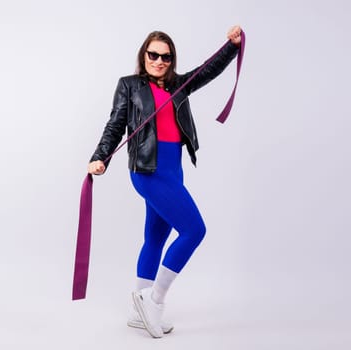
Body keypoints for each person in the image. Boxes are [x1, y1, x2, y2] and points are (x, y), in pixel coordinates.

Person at [87, 25, 242, 338]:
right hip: (148, 171)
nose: (159, 60)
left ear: (172, 60)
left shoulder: (178, 86)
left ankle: (137, 312)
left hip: (173, 169)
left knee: (156, 236)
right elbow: (115, 124)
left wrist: (232, 46)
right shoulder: (129, 85)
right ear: (143, 55)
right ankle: (154, 299)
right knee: (195, 230)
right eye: (153, 54)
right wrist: (100, 155)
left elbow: (207, 70)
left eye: (166, 57)